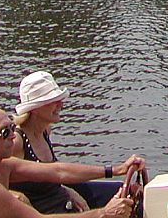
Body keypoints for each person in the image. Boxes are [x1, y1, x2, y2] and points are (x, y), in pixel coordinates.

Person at [0, 99, 138, 218]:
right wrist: (104, 214)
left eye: (11, 126)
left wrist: (116, 170)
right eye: (4, 131)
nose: (12, 135)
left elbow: (58, 171)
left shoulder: (1, 164)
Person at [10, 71, 146, 214]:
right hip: (44, 212)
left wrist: (66, 190)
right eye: (53, 101)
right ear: (35, 108)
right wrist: (15, 196)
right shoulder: (16, 142)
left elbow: (57, 173)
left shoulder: (45, 130)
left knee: (129, 194)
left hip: (61, 199)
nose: (60, 104)